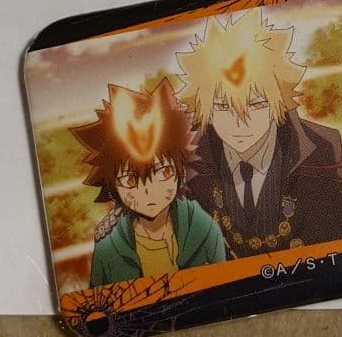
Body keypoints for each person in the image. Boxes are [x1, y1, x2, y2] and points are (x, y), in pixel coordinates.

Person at [175, 9, 342, 259]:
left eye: (256, 105)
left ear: (278, 101)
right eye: (222, 107)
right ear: (204, 108)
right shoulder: (189, 164)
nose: (239, 124)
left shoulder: (324, 154)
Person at [71, 79, 226, 287]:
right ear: (112, 186)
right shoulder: (108, 246)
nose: (148, 191)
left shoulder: (204, 228)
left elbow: (227, 287)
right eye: (130, 180)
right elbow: (98, 301)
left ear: (180, 172)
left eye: (164, 172)